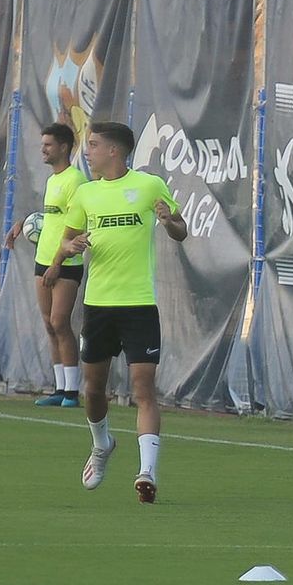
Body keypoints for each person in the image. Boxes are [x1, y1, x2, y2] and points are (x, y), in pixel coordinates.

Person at [55, 121, 188, 503]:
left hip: (139, 304)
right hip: (98, 305)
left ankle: (147, 471)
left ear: (115, 151)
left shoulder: (149, 186)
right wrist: (72, 245)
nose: (88, 151)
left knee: (143, 388)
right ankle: (102, 444)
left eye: (93, 145)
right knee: (93, 389)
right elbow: (66, 242)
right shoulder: (85, 193)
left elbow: (180, 229)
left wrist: (169, 221)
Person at [8, 122, 87, 407]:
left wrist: (57, 262)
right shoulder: (53, 180)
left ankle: (72, 392)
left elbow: (75, 226)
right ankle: (59, 388)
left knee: (60, 322)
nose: (43, 149)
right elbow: (50, 217)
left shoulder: (75, 180)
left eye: (48, 145)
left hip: (65, 262)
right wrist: (22, 223)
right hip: (43, 259)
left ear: (64, 147)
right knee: (48, 324)